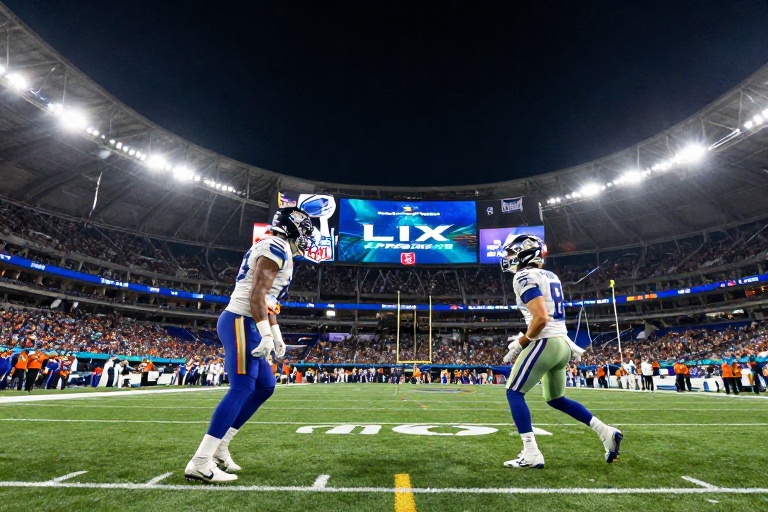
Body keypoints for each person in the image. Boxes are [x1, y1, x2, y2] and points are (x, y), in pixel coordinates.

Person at [185, 206, 313, 484]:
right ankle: (200, 461)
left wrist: (275, 333)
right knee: (242, 387)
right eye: (303, 230)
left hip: (250, 322)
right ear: (291, 227)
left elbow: (268, 300)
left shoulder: (278, 246)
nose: (305, 237)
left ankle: (221, 446)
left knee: (265, 386)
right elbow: (257, 294)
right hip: (241, 321)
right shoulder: (275, 246)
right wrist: (266, 334)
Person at [499, 234, 622, 469]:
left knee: (514, 392)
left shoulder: (524, 276)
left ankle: (531, 452)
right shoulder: (550, 275)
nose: (508, 258)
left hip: (544, 342)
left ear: (524, 253)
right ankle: (606, 432)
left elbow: (541, 318)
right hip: (560, 344)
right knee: (556, 399)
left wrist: (522, 341)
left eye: (512, 253)